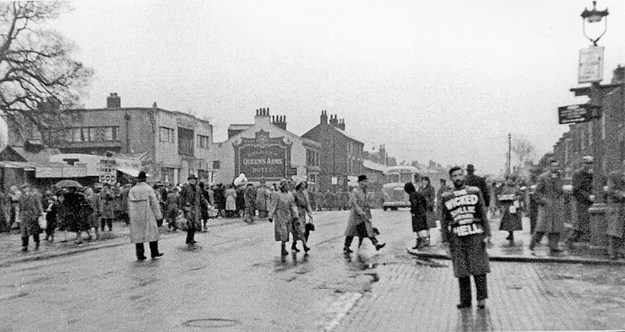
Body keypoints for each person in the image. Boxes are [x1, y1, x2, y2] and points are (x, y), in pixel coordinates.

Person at [440, 166, 491, 310]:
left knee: (479, 267)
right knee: (461, 268)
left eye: (460, 175)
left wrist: (488, 234)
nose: (457, 178)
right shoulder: (446, 196)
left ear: (464, 176)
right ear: (451, 178)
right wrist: (445, 240)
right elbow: (444, 219)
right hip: (456, 235)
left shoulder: (474, 191)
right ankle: (465, 300)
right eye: (454, 176)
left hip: (475, 233)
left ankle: (481, 299)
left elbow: (482, 214)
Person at [529, 159, 565, 253]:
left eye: (557, 166)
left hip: (556, 205)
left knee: (556, 227)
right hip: (546, 206)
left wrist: (561, 199)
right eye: (553, 166)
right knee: (541, 227)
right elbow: (536, 192)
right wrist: (543, 200)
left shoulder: (560, 177)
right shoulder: (543, 177)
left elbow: (560, 190)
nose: (555, 168)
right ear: (549, 167)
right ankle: (532, 245)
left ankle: (554, 246)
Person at [343, 175, 385, 253]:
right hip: (356, 215)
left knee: (367, 230)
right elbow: (354, 203)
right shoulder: (355, 191)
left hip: (363, 215)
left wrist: (370, 206)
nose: (367, 183)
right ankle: (346, 246)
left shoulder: (365, 191)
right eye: (365, 181)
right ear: (361, 182)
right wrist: (360, 211)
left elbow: (366, 203)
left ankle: (376, 244)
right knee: (352, 231)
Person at [128, 171, 163, 260]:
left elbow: (128, 204)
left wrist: (130, 215)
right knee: (152, 233)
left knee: (138, 235)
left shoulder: (132, 190)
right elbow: (154, 203)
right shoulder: (148, 189)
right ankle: (154, 252)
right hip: (148, 213)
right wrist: (158, 215)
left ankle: (140, 255)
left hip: (136, 215)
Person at [268, 179, 300, 256]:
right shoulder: (277, 194)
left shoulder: (290, 194)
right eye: (285, 185)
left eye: (287, 186)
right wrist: (271, 215)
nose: (287, 187)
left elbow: (293, 205)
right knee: (283, 231)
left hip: (288, 215)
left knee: (289, 230)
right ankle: (283, 247)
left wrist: (295, 215)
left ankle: (290, 244)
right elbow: (273, 205)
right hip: (280, 215)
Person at [568, 156, 594, 245]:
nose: (589, 165)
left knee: (588, 221)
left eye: (591, 163)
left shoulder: (595, 174)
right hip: (580, 201)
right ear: (583, 164)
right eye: (587, 163)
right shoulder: (578, 174)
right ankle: (577, 238)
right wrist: (588, 196)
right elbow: (576, 189)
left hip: (592, 201)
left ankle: (584, 237)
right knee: (581, 221)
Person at [606, 159, 625, 260]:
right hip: (616, 205)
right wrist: (622, 194)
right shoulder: (614, 175)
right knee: (614, 230)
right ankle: (612, 252)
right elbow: (611, 190)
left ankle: (622, 252)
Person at [180, 174, 205, 249]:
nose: (192, 181)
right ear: (188, 180)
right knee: (189, 224)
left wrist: (206, 204)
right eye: (191, 179)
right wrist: (182, 207)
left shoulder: (198, 188)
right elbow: (182, 198)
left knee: (195, 224)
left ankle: (191, 238)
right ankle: (189, 239)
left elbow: (201, 197)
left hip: (196, 208)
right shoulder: (185, 188)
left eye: (193, 179)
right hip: (188, 208)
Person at [18, 183, 44, 251]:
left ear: (28, 188)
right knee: (24, 231)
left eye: (26, 187)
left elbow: (38, 204)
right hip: (24, 215)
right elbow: (20, 207)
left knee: (35, 231)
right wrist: (20, 215)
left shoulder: (34, 195)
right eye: (23, 188)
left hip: (33, 215)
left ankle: (37, 243)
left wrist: (40, 213)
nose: (25, 189)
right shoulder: (21, 196)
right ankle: (25, 245)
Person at [497, 175, 522, 242]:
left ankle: (511, 233)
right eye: (508, 179)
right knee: (507, 221)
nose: (509, 181)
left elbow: (520, 194)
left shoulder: (517, 187)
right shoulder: (504, 187)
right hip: (506, 206)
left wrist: (517, 197)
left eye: (511, 179)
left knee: (512, 221)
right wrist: (501, 199)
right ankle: (509, 233)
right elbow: (500, 195)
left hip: (514, 205)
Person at [404, 182, 428, 249]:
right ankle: (422, 241)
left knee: (417, 228)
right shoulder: (418, 194)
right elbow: (424, 201)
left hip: (417, 214)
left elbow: (414, 204)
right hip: (422, 212)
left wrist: (413, 211)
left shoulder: (412, 195)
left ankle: (421, 242)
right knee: (420, 227)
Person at [292, 180, 313, 252]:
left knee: (302, 230)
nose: (304, 185)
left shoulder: (305, 193)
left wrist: (309, 213)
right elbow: (293, 204)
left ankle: (294, 244)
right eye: (302, 184)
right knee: (300, 229)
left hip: (303, 212)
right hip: (297, 212)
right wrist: (295, 213)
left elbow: (307, 203)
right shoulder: (295, 193)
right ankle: (305, 245)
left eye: (304, 184)